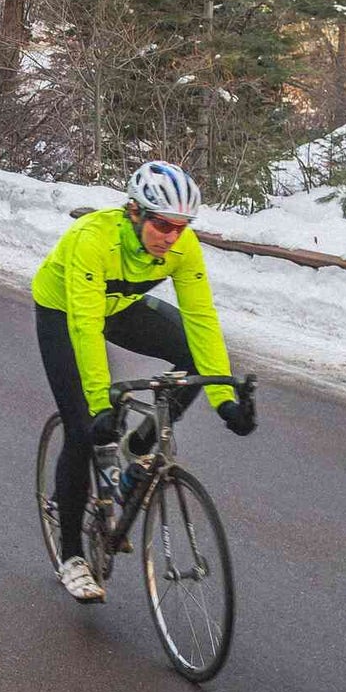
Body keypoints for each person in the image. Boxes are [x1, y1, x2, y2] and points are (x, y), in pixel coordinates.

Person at [33, 160, 256, 602]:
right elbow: (85, 327)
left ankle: (135, 448)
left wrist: (224, 400)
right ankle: (73, 556)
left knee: (194, 357)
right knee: (82, 431)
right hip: (66, 311)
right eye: (162, 224)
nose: (171, 236)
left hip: (120, 306)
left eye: (181, 226)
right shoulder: (92, 240)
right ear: (135, 212)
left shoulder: (182, 247)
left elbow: (202, 320)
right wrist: (98, 407)